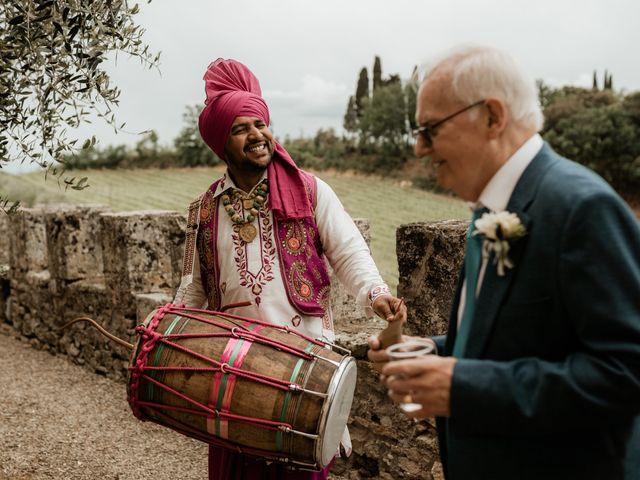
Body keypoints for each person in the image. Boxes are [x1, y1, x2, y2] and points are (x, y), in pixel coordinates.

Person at [368, 45, 640, 480]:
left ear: (493, 116)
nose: (419, 149)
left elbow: (625, 371)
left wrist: (465, 388)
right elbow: (520, 335)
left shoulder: (580, 207)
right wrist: (438, 350)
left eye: (430, 129)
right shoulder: (492, 208)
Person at [173, 58, 406, 480]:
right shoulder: (205, 209)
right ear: (221, 143)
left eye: (260, 124)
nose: (257, 135)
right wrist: (169, 336)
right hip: (234, 371)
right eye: (241, 129)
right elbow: (193, 290)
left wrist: (376, 294)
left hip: (304, 365)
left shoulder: (311, 191)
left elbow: (349, 249)